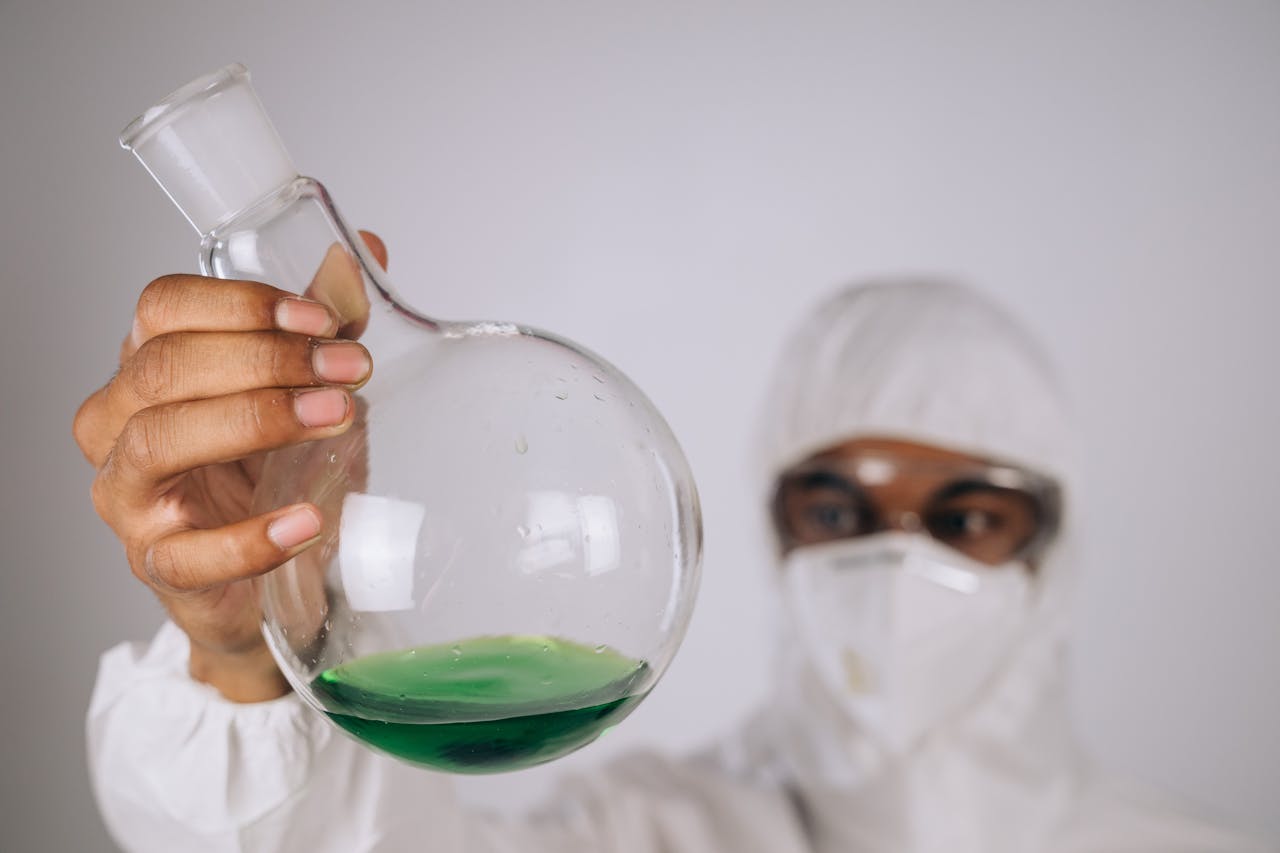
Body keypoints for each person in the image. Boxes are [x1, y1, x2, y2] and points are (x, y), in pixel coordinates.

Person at [76, 253, 1270, 852]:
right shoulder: (645, 830)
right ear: (775, 521)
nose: (895, 565)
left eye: (964, 518)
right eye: (838, 511)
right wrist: (247, 654)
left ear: (1044, 553)